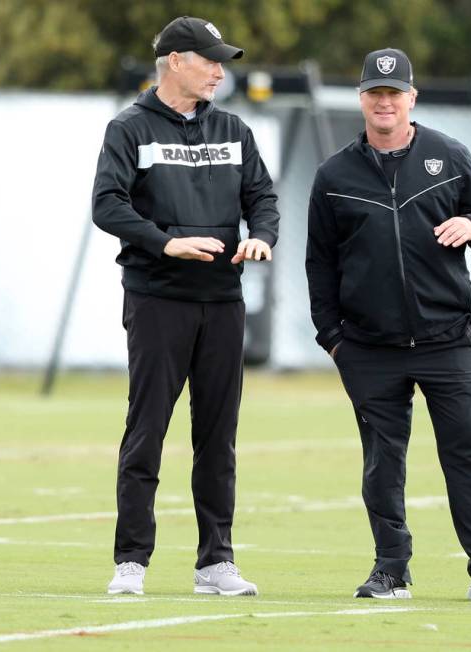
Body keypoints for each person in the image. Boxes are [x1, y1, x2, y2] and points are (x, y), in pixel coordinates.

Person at [305, 48, 471, 602]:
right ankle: (391, 567)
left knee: (468, 452)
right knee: (383, 458)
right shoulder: (334, 174)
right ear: (362, 100)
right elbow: (320, 263)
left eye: (394, 93)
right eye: (374, 93)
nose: (385, 102)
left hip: (447, 337)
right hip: (368, 346)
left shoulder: (448, 155)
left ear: (411, 98)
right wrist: (333, 338)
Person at [92, 15, 279, 597]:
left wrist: (262, 236)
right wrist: (165, 241)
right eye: (209, 60)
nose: (220, 71)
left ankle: (214, 563)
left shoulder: (234, 129)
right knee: (147, 430)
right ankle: (131, 562)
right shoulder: (128, 129)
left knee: (218, 436)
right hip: (157, 301)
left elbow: (262, 198)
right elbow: (107, 204)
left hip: (222, 301)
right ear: (176, 61)